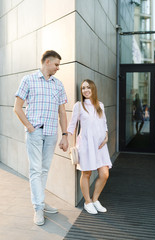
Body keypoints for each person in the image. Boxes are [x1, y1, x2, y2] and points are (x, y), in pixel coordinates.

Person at [14, 50, 68, 225]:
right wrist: (29, 127)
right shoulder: (28, 80)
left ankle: (41, 201)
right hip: (35, 132)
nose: (58, 68)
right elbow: (17, 107)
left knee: (44, 170)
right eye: (56, 64)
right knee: (35, 170)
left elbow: (62, 112)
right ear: (47, 62)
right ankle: (38, 207)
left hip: (51, 133)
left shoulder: (58, 85)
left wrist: (65, 135)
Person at [67, 79, 112, 214]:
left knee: (104, 174)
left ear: (93, 89)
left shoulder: (100, 105)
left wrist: (106, 135)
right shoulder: (79, 106)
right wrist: (69, 142)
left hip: (100, 146)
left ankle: (95, 199)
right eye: (83, 88)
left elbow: (104, 122)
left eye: (88, 87)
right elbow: (72, 125)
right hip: (86, 145)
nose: (85, 90)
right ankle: (87, 202)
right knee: (86, 173)